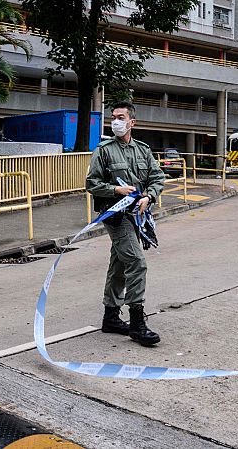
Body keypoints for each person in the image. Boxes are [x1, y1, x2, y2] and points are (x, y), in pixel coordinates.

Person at [86, 101, 165, 346]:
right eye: (114, 117)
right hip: (115, 215)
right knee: (137, 263)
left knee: (120, 262)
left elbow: (156, 177)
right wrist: (116, 189)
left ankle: (110, 317)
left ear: (132, 122)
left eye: (121, 117)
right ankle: (137, 322)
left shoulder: (143, 149)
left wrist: (149, 196)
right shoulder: (105, 150)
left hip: (136, 216)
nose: (116, 121)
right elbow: (92, 183)